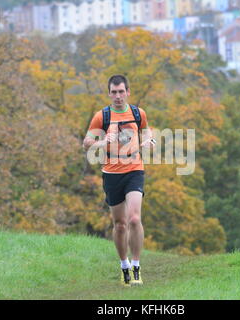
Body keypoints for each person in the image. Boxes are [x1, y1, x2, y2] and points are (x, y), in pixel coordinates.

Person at [82, 75, 155, 287]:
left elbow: (146, 129)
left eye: (121, 91)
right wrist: (103, 141)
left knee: (134, 219)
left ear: (128, 92)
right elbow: (86, 143)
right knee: (120, 224)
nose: (118, 96)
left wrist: (149, 139)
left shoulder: (137, 113)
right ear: (109, 94)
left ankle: (136, 266)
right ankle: (123, 266)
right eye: (114, 92)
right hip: (112, 174)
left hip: (134, 169)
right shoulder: (102, 116)